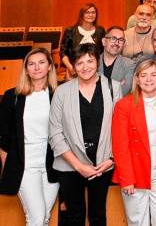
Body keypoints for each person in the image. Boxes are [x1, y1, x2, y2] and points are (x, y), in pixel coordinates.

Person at [49, 43, 122, 226]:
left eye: (90, 61)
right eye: (79, 62)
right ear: (73, 66)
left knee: (98, 216)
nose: (85, 66)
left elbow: (120, 129)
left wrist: (111, 159)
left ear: (97, 62)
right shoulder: (62, 91)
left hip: (102, 165)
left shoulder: (113, 87)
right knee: (74, 216)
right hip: (69, 165)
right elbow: (55, 134)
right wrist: (78, 166)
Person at [0, 48, 60, 225]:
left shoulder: (58, 94)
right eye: (31, 64)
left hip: (51, 165)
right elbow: (3, 137)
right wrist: (6, 167)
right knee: (36, 216)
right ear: (26, 69)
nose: (36, 68)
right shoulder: (13, 96)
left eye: (42, 62)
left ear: (49, 66)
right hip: (24, 165)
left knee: (45, 217)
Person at [111, 59, 156, 226]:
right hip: (136, 173)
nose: (148, 79)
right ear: (137, 79)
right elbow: (120, 146)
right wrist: (127, 178)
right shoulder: (124, 105)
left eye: (153, 74)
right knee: (138, 222)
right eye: (143, 75)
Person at [61, 3, 106, 78]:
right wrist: (70, 67)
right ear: (82, 14)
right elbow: (63, 53)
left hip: (95, 72)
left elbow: (103, 52)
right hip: (74, 71)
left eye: (93, 12)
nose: (90, 15)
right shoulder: (71, 31)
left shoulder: (100, 31)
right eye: (87, 12)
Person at [99, 26, 135, 97]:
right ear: (104, 41)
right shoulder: (92, 62)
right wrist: (117, 86)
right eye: (113, 38)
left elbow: (124, 91)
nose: (117, 43)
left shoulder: (129, 64)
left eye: (121, 40)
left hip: (117, 106)